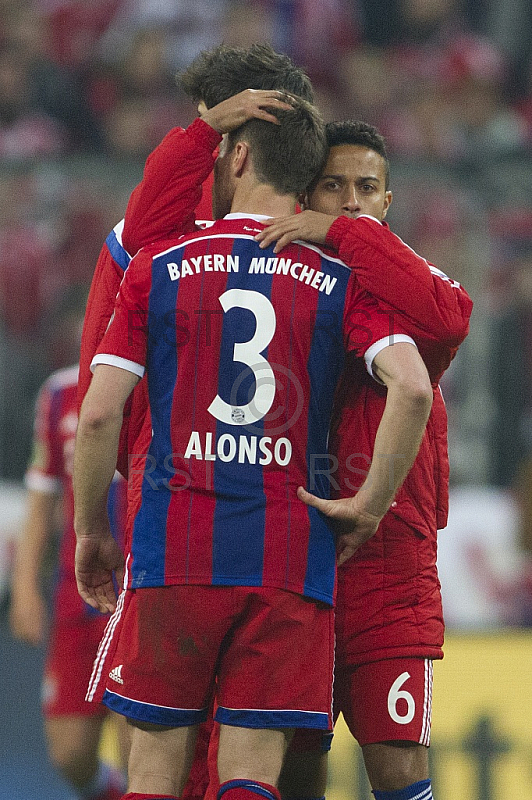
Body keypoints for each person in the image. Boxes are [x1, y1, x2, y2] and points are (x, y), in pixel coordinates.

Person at [73, 94, 433, 800]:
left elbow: (97, 416)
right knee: (251, 775)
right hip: (288, 557)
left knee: (151, 774)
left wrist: (92, 529)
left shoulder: (158, 265)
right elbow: (413, 390)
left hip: (174, 546)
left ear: (237, 157)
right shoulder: (339, 278)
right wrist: (366, 505)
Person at [255, 120, 473, 800]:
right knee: (296, 769)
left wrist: (344, 238)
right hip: (299, 548)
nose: (351, 202)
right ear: (305, 195)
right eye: (334, 186)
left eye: (366, 188)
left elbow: (447, 320)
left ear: (388, 201)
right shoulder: (283, 284)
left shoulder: (415, 285)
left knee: (399, 771)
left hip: (390, 565)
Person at [9, 288, 128, 800]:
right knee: (70, 754)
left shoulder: (151, 384)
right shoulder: (58, 394)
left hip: (137, 593)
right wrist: (24, 592)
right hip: (75, 596)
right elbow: (40, 507)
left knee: (138, 742)